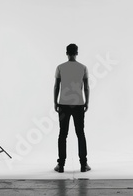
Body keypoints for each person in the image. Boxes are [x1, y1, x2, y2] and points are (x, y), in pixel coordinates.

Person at [53, 43, 90, 173]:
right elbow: (86, 87)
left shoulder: (60, 67)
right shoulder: (83, 68)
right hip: (79, 104)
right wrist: (87, 102)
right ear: (77, 53)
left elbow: (56, 86)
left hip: (63, 104)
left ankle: (61, 165)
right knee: (80, 133)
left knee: (63, 134)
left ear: (66, 53)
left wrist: (55, 102)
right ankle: (83, 164)